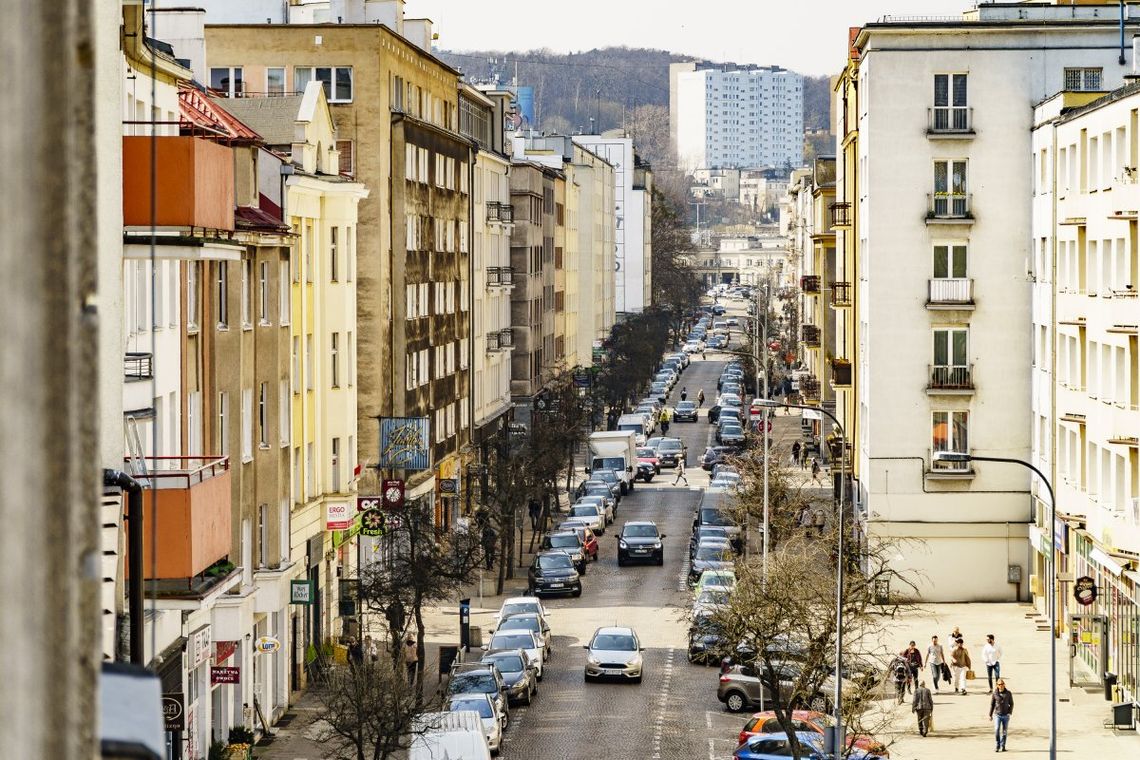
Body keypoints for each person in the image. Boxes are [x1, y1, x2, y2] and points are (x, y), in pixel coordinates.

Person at [989, 678, 1014, 751]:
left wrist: (1009, 712)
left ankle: (1003, 745)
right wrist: (990, 715)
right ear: (997, 685)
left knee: (1004, 731)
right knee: (997, 729)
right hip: (997, 715)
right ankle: (997, 745)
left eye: (1002, 684)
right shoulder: (995, 693)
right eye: (999, 684)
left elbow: (1011, 704)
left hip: (1006, 715)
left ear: (1004, 685)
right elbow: (992, 704)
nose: (1001, 686)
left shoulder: (1008, 693)